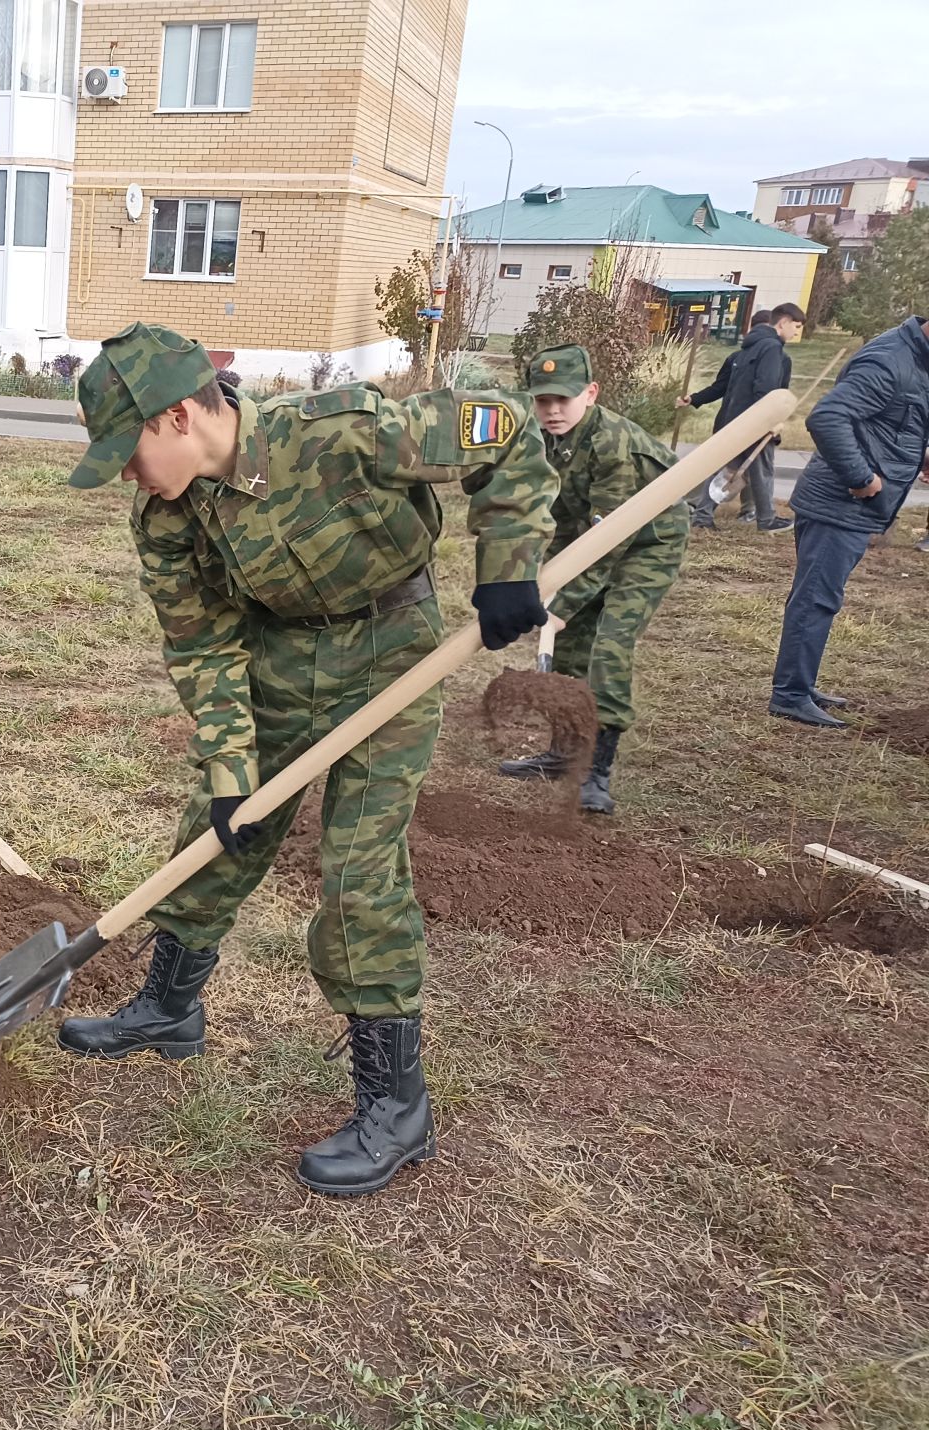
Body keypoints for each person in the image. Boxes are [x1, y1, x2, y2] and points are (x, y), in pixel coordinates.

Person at [56, 323, 559, 1198]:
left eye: (127, 451)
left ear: (178, 416)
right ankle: (169, 1009)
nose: (125, 476)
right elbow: (201, 644)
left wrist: (508, 565)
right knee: (212, 840)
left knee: (359, 872)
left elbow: (505, 427)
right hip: (280, 664)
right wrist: (228, 768)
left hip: (393, 653)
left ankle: (397, 1109)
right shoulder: (169, 517)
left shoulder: (340, 431)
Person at [499, 345, 689, 814]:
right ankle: (564, 754)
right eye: (542, 401)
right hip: (590, 537)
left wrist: (562, 606)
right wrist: (531, 584)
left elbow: (609, 542)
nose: (553, 410)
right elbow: (547, 518)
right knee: (567, 646)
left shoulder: (612, 445)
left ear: (591, 392)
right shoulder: (539, 438)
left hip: (647, 542)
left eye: (563, 399)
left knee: (608, 643)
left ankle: (596, 770)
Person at [768, 316, 929, 727]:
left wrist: (919, 460)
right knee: (816, 598)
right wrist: (862, 478)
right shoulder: (891, 360)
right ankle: (790, 694)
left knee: (820, 596)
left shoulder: (915, 358)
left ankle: (799, 683)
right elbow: (827, 418)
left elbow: (882, 427)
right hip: (840, 504)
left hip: (851, 507)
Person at [677, 302, 804, 533]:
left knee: (728, 469)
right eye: (795, 326)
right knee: (763, 469)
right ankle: (766, 520)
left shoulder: (748, 348)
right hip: (755, 423)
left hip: (736, 422)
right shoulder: (772, 349)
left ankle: (702, 515)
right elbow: (765, 389)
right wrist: (771, 421)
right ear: (783, 322)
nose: (796, 332)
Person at [695, 309, 771, 522]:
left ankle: (748, 510)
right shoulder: (739, 358)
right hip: (737, 423)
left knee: (753, 467)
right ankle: (703, 513)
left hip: (749, 423)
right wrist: (694, 399)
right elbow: (720, 387)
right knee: (732, 467)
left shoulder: (772, 358)